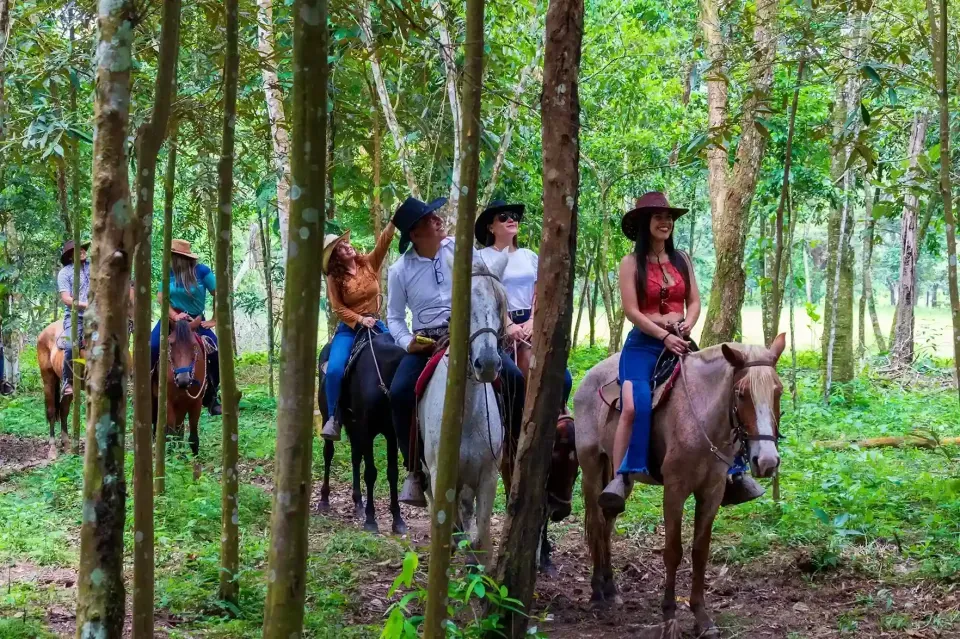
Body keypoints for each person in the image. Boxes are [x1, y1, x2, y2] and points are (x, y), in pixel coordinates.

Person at [387, 196, 526, 506]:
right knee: (399, 393)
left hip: (469, 334)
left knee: (514, 377)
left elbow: (487, 284)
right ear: (414, 234)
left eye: (435, 216)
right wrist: (405, 340)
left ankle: (515, 457)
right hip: (425, 342)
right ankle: (414, 470)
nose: (437, 221)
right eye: (428, 220)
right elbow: (394, 317)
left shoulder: (462, 251)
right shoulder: (400, 270)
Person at [476, 199, 573, 408]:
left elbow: (540, 292)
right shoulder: (482, 257)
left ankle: (558, 425)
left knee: (563, 379)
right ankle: (513, 432)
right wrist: (507, 324)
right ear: (491, 227)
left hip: (532, 324)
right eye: (503, 217)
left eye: (514, 216)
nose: (511, 219)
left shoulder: (528, 256)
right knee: (515, 379)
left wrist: (532, 320)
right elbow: (484, 296)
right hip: (497, 326)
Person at [320, 221, 396, 441]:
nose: (347, 247)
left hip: (376, 324)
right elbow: (337, 307)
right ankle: (333, 418)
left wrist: (392, 224)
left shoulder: (369, 264)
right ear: (335, 257)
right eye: (341, 248)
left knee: (400, 353)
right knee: (334, 369)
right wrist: (360, 319)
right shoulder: (335, 278)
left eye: (346, 243)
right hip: (350, 330)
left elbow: (383, 244)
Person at [149, 239, 221, 415]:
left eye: (172, 255)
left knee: (215, 348)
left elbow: (219, 292)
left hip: (195, 321)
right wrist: (174, 315)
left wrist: (214, 319)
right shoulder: (168, 272)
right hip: (171, 320)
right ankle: (148, 391)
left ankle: (211, 393)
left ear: (180, 257)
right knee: (152, 345)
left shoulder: (202, 272)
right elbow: (161, 298)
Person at [56, 240, 90, 397]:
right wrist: (85, 305)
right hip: (76, 316)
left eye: (83, 248)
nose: (83, 250)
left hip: (98, 315)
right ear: (70, 256)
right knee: (70, 345)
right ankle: (67, 381)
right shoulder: (65, 273)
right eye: (78, 249)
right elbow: (66, 299)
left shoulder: (94, 267)